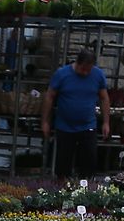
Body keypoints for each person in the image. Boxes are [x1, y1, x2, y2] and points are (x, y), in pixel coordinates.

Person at [41, 50, 110, 181]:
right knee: (63, 163)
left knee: (89, 160)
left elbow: (104, 98)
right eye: (83, 69)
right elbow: (49, 97)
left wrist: (106, 122)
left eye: (88, 70)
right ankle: (62, 186)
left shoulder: (98, 75)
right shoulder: (62, 74)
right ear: (77, 63)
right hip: (65, 126)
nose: (85, 73)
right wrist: (45, 121)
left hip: (88, 125)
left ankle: (86, 186)